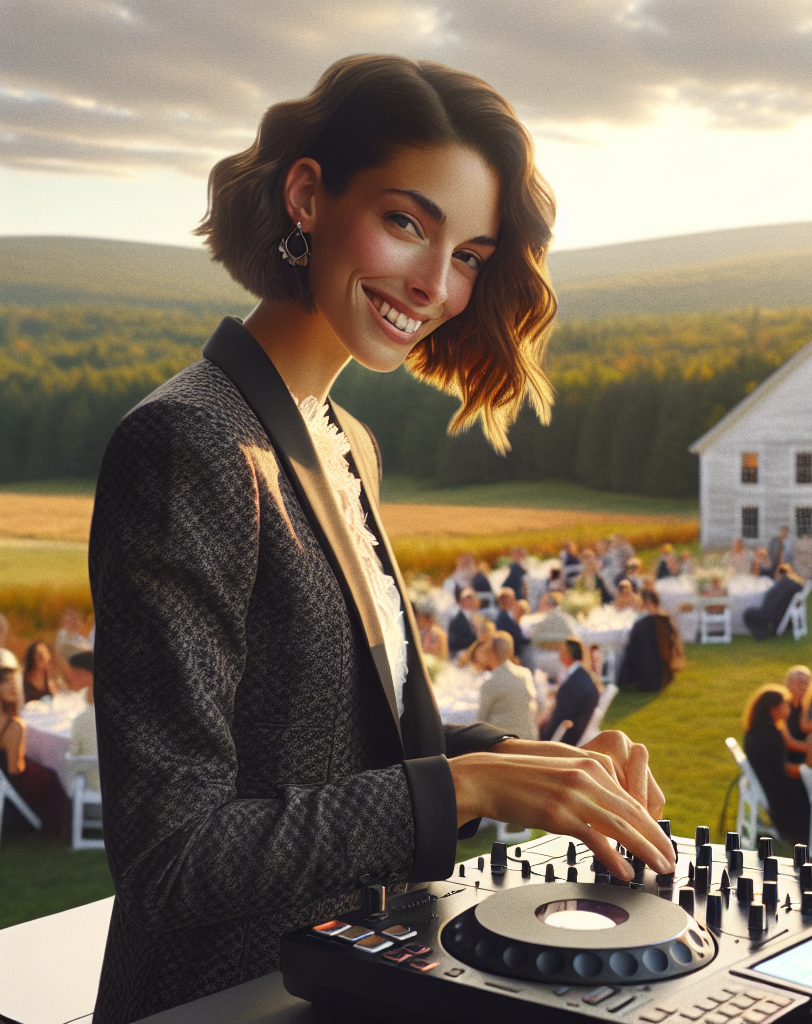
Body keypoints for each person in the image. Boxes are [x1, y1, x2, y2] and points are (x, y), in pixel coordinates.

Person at [87, 56, 672, 1024]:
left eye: (473, 254)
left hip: (349, 971)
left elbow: (321, 741)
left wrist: (531, 765)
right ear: (308, 194)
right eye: (407, 222)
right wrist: (464, 784)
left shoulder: (342, 439)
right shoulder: (186, 441)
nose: (437, 284)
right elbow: (173, 857)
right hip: (224, 997)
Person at [0, 652, 68, 838]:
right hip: (9, 784)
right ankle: (56, 831)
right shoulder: (14, 725)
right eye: (5, 682)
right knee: (51, 777)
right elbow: (15, 770)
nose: (13, 686)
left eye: (14, 681)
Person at [742, 685, 810, 844]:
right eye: (785, 704)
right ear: (773, 709)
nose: (789, 708)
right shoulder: (771, 736)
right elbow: (783, 770)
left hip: (767, 781)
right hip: (778, 790)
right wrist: (808, 770)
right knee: (809, 784)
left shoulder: (758, 730)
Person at [617, 589, 684, 692]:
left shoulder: (641, 624)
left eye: (639, 601)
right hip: (665, 674)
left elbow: (631, 652)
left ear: (647, 602)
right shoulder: (665, 619)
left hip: (647, 677)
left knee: (626, 649)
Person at [539, 639, 601, 747]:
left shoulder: (572, 685)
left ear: (568, 654)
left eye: (562, 651)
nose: (560, 655)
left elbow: (559, 717)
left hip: (565, 738)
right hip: (576, 731)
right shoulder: (582, 676)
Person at [478, 633, 538, 741]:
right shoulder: (525, 675)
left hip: (503, 744)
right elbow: (535, 706)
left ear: (492, 654)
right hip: (529, 740)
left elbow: (481, 721)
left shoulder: (489, 683)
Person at [67, 649, 101, 794]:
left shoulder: (82, 720)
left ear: (88, 674)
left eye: (76, 672)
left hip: (93, 795)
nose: (71, 677)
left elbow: (73, 763)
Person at [743, 564, 803, 641]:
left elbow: (773, 603)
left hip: (770, 616)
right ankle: (762, 631)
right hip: (774, 613)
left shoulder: (784, 585)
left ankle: (762, 634)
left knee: (748, 613)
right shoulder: (791, 585)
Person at [782, 666, 812, 762]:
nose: (803, 687)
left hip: (801, 752)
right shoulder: (783, 707)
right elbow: (788, 743)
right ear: (789, 684)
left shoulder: (805, 705)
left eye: (807, 683)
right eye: (799, 682)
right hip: (787, 757)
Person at [494, 586, 528, 660]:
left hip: (521, 651)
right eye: (502, 598)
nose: (505, 601)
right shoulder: (501, 619)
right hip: (511, 654)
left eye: (507, 598)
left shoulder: (518, 611)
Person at [447, 587, 480, 658]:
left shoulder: (479, 616)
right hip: (465, 655)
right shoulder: (455, 621)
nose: (470, 601)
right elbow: (453, 642)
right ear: (461, 602)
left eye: (471, 597)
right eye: (467, 598)